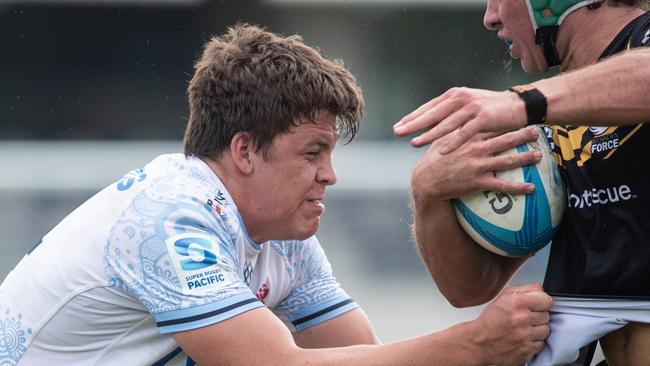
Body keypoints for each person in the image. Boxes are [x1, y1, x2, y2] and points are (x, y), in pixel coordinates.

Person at [0, 24, 552, 366]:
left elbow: (358, 355)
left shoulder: (277, 233)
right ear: (243, 151)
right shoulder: (169, 217)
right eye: (312, 153)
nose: (329, 176)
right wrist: (475, 345)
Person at [394, 0, 650, 365]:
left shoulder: (638, 41)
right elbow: (471, 287)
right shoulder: (551, 119)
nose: (490, 17)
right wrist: (428, 191)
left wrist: (524, 103)